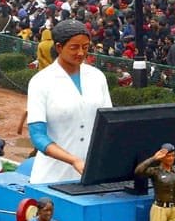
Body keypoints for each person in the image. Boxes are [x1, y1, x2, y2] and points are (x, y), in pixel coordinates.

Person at [26, 19, 112, 184]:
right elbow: (37, 136)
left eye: (85, 47)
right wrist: (73, 160)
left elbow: (108, 124)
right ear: (59, 47)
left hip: (91, 175)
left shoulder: (97, 77)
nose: (81, 53)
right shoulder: (40, 82)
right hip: (52, 177)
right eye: (74, 47)